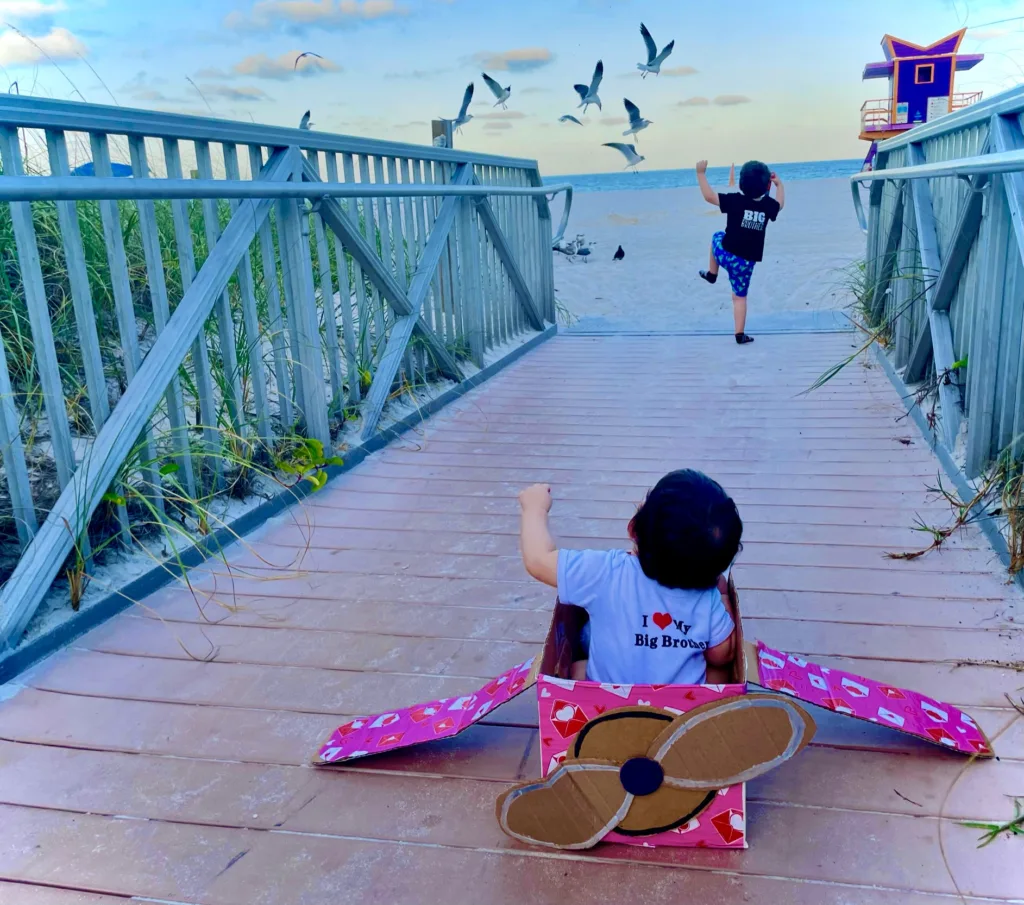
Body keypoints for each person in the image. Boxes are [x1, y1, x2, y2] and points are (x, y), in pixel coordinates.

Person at [517, 470, 740, 685]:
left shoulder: (604, 572)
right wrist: (722, 596)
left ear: (633, 529)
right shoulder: (707, 597)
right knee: (716, 670)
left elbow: (538, 560)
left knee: (577, 668)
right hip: (680, 712)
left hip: (609, 706)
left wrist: (535, 509)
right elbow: (723, 654)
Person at [696, 159, 784, 345]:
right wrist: (779, 185)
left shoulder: (735, 200)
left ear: (741, 184)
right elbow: (780, 204)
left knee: (716, 236)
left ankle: (712, 273)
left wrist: (700, 174)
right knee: (739, 297)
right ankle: (739, 334)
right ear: (767, 185)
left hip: (726, 254)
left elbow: (709, 197)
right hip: (745, 264)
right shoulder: (768, 205)